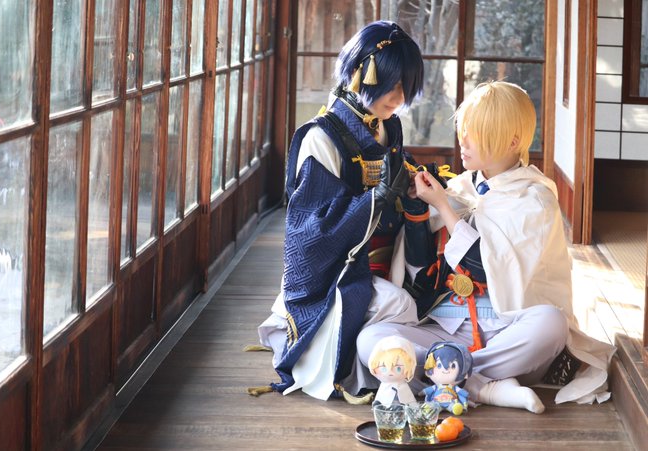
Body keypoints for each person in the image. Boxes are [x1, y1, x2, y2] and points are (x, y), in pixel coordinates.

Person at [356, 81, 616, 413]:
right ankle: (484, 387)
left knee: (552, 323)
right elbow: (421, 270)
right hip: (448, 329)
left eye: (475, 134)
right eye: (463, 131)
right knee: (371, 340)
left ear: (512, 141)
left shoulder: (535, 198)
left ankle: (449, 375)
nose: (463, 141)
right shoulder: (462, 188)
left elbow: (484, 269)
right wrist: (418, 209)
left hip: (507, 335)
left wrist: (444, 207)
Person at [256, 21, 441, 401]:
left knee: (436, 280)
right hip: (337, 271)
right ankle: (405, 369)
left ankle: (423, 363)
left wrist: (413, 183)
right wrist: (377, 198)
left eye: (406, 87)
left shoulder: (389, 125)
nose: (399, 98)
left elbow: (397, 176)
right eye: (392, 85)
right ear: (361, 73)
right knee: (402, 305)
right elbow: (311, 234)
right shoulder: (320, 137)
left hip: (386, 257)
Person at [421, 341, 472, 415]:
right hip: (436, 402)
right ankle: (430, 408)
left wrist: (466, 395)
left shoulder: (454, 388)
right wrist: (421, 393)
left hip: (451, 402)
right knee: (434, 406)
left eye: (453, 366)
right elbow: (425, 391)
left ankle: (455, 408)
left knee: (453, 406)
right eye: (439, 365)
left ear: (465, 374)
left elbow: (464, 394)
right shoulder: (435, 387)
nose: (445, 370)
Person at [368, 335, 417, 407]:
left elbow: (410, 404)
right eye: (384, 368)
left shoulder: (403, 387)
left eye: (398, 368)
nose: (390, 372)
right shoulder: (383, 387)